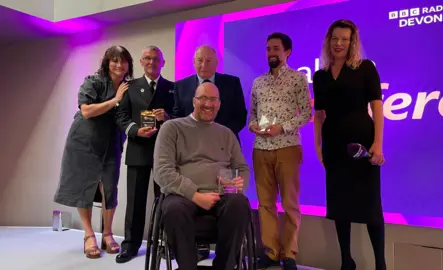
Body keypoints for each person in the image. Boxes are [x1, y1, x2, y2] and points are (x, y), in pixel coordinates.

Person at [312, 19, 386, 270]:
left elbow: (377, 105)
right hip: (333, 145)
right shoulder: (320, 75)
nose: (339, 43)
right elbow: (319, 114)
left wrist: (378, 143)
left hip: (361, 143)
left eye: (344, 38)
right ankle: (346, 261)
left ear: (352, 41)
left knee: (370, 206)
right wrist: (318, 145)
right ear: (328, 41)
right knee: (339, 204)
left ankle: (381, 264)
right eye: (335, 38)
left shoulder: (365, 68)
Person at [153, 82, 252, 270]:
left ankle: (224, 267)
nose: (208, 104)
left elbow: (242, 168)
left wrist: (238, 183)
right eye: (203, 98)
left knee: (240, 204)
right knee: (173, 209)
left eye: (213, 99)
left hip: (221, 196)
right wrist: (195, 195)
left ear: (219, 104)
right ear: (193, 101)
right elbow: (162, 171)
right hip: (182, 197)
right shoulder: (172, 128)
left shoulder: (227, 134)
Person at [53, 45, 132, 259]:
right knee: (85, 185)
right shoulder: (93, 81)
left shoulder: (129, 86)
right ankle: (89, 234)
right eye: (114, 60)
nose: (119, 64)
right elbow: (86, 110)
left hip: (112, 141)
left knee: (109, 187)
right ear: (107, 63)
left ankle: (107, 233)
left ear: (128, 64)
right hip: (84, 142)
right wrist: (115, 100)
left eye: (123, 60)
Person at [249, 32, 312, 270]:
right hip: (261, 148)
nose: (271, 53)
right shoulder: (258, 82)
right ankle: (271, 252)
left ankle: (289, 254)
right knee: (265, 204)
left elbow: (306, 114)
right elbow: (252, 116)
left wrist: (282, 128)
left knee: (290, 204)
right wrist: (254, 126)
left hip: (288, 147)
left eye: (276, 48)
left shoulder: (298, 79)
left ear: (287, 52)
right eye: (268, 49)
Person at [115, 46, 175, 263]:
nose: (152, 62)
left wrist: (167, 117)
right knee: (135, 201)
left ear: (163, 62)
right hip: (138, 149)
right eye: (147, 58)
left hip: (164, 153)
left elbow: (180, 117)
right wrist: (136, 130)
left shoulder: (172, 88)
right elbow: (120, 116)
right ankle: (130, 245)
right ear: (141, 62)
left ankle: (169, 244)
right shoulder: (129, 87)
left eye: (156, 59)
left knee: (168, 201)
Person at [172, 45, 247, 143]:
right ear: (194, 62)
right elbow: (177, 116)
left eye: (208, 61)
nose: (204, 65)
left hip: (225, 142)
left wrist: (220, 134)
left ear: (216, 63)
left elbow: (240, 115)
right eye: (200, 60)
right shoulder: (180, 86)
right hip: (191, 144)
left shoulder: (232, 83)